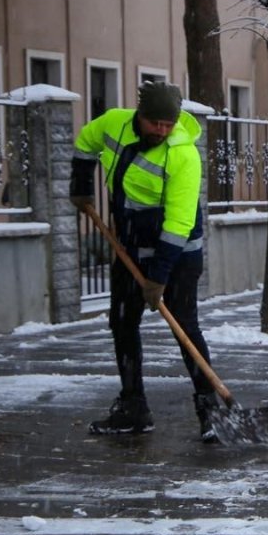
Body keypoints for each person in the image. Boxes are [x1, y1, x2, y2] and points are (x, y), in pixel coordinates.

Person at [69, 81, 218, 442]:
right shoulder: (113, 124)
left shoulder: (183, 154)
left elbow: (179, 222)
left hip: (178, 253)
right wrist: (81, 185)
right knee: (122, 323)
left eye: (169, 124)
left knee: (185, 327)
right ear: (140, 115)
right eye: (155, 124)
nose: (162, 131)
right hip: (130, 248)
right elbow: (85, 143)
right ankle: (133, 406)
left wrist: (158, 278)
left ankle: (209, 409)